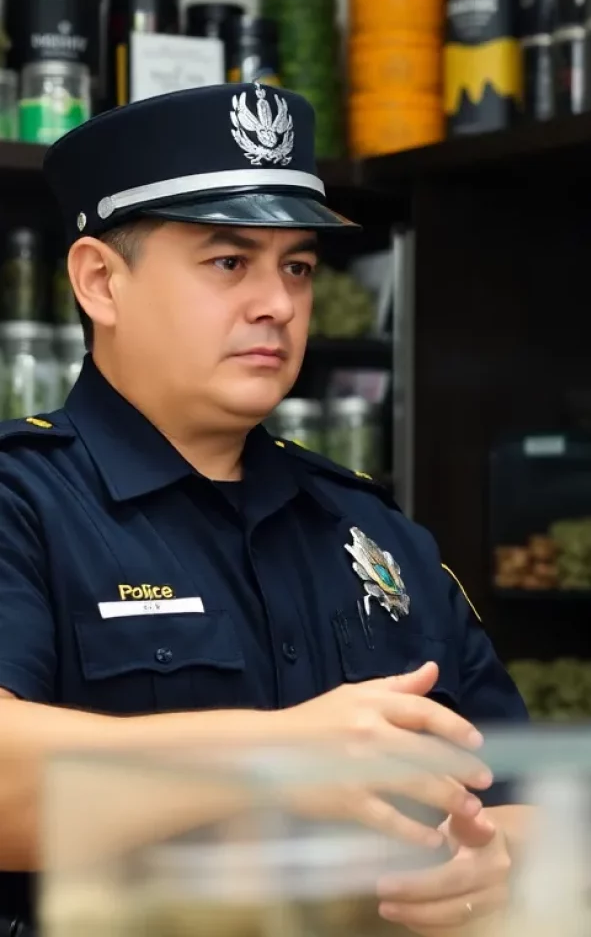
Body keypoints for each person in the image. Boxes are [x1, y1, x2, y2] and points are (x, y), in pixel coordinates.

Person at [0, 82, 530, 935]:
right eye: (227, 262)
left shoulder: (369, 528)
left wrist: (489, 862)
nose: (277, 305)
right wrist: (280, 753)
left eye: (297, 267)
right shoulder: (22, 500)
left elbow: (521, 787)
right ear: (101, 280)